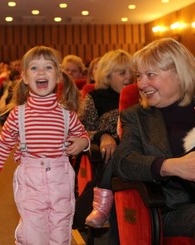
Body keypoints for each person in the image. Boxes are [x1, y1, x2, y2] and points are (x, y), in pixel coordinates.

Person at [112, 38, 195, 244]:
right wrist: (171, 166)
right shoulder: (137, 116)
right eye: (139, 76)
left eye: (150, 75)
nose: (141, 83)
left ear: (179, 73)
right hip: (175, 208)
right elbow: (123, 161)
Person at [0, 46, 90, 244]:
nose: (41, 72)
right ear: (24, 77)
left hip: (61, 180)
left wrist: (83, 141)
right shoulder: (18, 115)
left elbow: (82, 134)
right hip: (30, 180)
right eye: (34, 68)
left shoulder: (67, 115)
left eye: (48, 67)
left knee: (61, 228)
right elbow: (3, 144)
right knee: (33, 230)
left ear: (58, 76)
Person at [78, 50, 132, 242]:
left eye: (130, 72)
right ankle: (102, 207)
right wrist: (103, 135)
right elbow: (80, 131)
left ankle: (102, 207)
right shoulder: (96, 97)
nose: (128, 77)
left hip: (133, 151)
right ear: (108, 76)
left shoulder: (139, 94)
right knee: (117, 150)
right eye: (122, 73)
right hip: (108, 155)